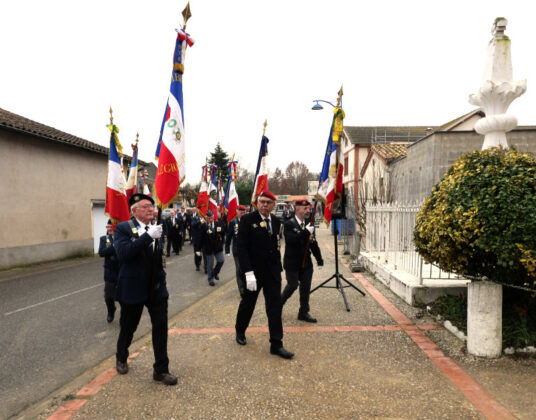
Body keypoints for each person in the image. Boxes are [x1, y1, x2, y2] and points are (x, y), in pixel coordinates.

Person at [113, 193, 177, 386]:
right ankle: (121, 356)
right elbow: (124, 254)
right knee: (128, 327)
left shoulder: (158, 227)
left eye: (152, 206)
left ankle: (161, 370)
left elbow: (159, 257)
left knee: (160, 328)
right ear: (135, 211)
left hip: (156, 288)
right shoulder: (123, 228)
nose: (151, 209)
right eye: (146, 206)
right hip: (133, 287)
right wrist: (148, 236)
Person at [235, 190, 294, 359]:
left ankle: (276, 343)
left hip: (272, 273)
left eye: (268, 202)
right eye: (262, 201)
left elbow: (275, 245)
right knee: (248, 303)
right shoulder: (247, 220)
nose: (265, 205)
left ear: (273, 205)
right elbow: (242, 248)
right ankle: (240, 330)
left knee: (275, 307)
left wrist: (278, 269)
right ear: (257, 203)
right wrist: (247, 273)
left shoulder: (276, 221)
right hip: (253, 272)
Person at [281, 199, 324, 323]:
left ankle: (303, 312)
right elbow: (292, 241)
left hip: (306, 262)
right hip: (292, 262)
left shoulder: (309, 224)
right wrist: (306, 232)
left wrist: (319, 259)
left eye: (309, 208)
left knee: (305, 288)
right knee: (292, 285)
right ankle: (278, 306)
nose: (308, 210)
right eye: (305, 208)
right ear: (297, 208)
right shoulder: (289, 223)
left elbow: (312, 243)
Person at [98, 220, 119, 322]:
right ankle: (111, 310)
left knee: (123, 296)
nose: (109, 229)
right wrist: (114, 246)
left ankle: (124, 318)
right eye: (107, 227)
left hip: (121, 271)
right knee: (108, 297)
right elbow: (101, 252)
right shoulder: (104, 239)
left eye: (111, 227)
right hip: (110, 272)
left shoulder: (122, 238)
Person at [225, 205, 247, 296]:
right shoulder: (233, 223)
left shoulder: (247, 222)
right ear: (237, 212)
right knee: (239, 269)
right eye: (240, 213)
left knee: (246, 269)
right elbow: (228, 237)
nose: (242, 214)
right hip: (237, 250)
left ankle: (246, 285)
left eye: (243, 213)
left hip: (247, 250)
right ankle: (241, 289)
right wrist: (227, 250)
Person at [200, 210, 225, 286]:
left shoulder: (218, 224)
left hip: (217, 247)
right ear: (206, 218)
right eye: (208, 218)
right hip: (209, 248)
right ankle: (210, 279)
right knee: (209, 265)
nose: (210, 220)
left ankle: (215, 272)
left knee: (221, 260)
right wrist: (198, 249)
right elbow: (201, 238)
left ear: (213, 217)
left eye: (211, 218)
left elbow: (224, 232)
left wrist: (221, 231)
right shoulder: (204, 225)